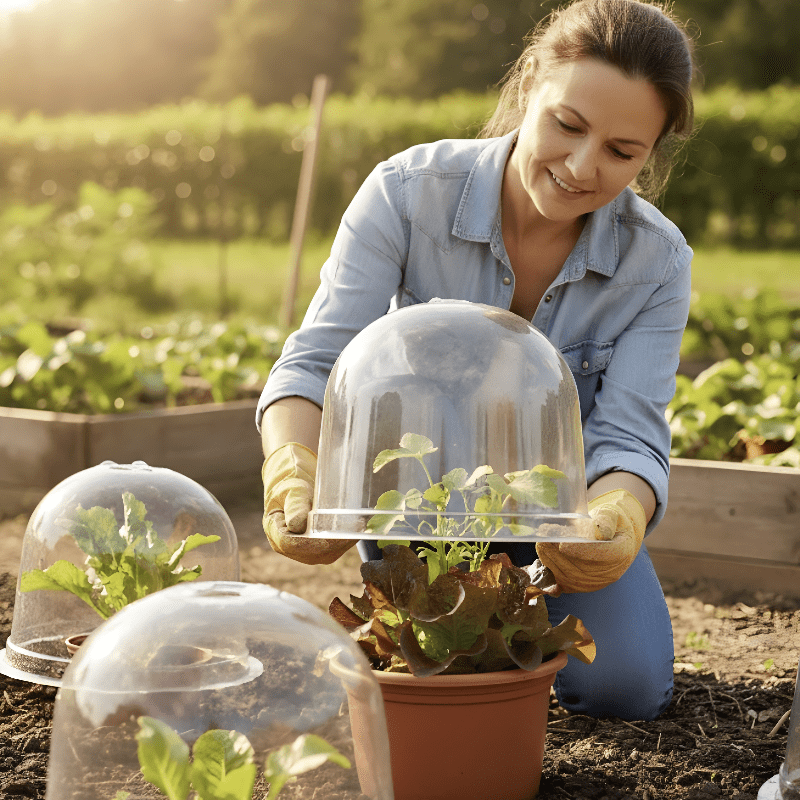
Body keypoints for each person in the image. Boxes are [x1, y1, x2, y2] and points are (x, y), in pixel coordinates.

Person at [257, 0, 696, 722]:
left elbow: (631, 431)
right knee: (434, 667)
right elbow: (316, 363)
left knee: (626, 687)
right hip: (417, 502)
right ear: (530, 86)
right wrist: (294, 469)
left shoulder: (656, 260)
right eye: (568, 125)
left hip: (560, 514)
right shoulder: (406, 194)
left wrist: (617, 513)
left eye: (623, 152)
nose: (582, 167)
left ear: (651, 153)